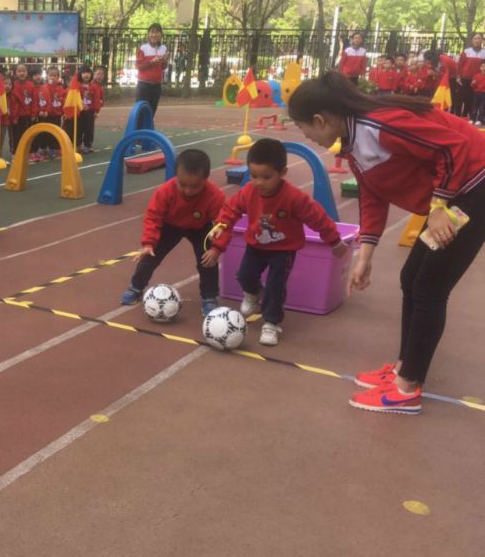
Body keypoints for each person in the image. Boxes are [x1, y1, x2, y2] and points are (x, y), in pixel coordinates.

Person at [289, 71, 485, 414]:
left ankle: (407, 388)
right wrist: (365, 255)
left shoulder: (380, 124)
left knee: (430, 287)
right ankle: (404, 368)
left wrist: (439, 206)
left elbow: (454, 147)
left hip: (475, 187)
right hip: (457, 193)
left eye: (304, 128)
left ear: (320, 120)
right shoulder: (353, 141)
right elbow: (372, 195)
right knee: (411, 278)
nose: (306, 135)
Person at [204, 138, 347, 347]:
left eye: (266, 177)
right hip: (255, 246)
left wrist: (334, 241)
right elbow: (230, 209)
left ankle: (271, 323)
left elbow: (318, 218)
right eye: (253, 176)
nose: (259, 182)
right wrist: (221, 225)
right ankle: (253, 292)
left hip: (283, 250)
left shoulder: (294, 198)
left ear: (282, 173)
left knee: (275, 286)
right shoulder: (249, 191)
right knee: (244, 275)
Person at [119, 149, 225, 315]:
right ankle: (136, 287)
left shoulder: (215, 196)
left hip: (200, 228)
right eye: (182, 185)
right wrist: (148, 243)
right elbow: (153, 217)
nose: (188, 191)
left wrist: (216, 249)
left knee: (207, 261)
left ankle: (209, 296)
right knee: (150, 256)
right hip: (170, 226)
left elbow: (223, 224)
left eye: (195, 186)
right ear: (175, 176)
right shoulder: (165, 191)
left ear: (206, 179)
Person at [135, 24, 168, 121]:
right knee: (141, 111)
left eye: (157, 32)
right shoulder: (143, 48)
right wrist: (152, 62)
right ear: (148, 34)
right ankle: (139, 129)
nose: (154, 35)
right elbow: (138, 66)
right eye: (152, 32)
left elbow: (163, 67)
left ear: (161, 35)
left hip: (157, 85)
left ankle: (149, 128)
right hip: (144, 85)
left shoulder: (163, 48)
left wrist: (164, 60)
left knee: (152, 112)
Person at [456, 33, 485, 118]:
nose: (477, 40)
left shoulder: (484, 53)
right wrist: (458, 77)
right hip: (464, 78)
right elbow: (460, 64)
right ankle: (457, 116)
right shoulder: (466, 51)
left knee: (472, 99)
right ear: (472, 40)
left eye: (479, 38)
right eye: (475, 39)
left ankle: (467, 116)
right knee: (461, 98)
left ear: (482, 40)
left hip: (477, 80)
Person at [8, 62, 33, 157]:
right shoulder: (12, 85)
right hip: (16, 116)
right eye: (19, 71)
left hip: (27, 115)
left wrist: (33, 113)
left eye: (24, 71)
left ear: (27, 72)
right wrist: (13, 116)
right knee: (15, 135)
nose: (22, 73)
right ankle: (14, 152)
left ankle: (26, 152)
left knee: (26, 135)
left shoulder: (31, 85)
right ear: (15, 73)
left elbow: (33, 100)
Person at [80, 65, 103, 153]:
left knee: (89, 128)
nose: (86, 75)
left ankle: (88, 145)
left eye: (88, 73)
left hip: (90, 111)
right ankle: (79, 144)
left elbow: (97, 99)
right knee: (80, 128)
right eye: (98, 74)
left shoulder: (94, 86)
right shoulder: (78, 85)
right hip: (80, 111)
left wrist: (96, 111)